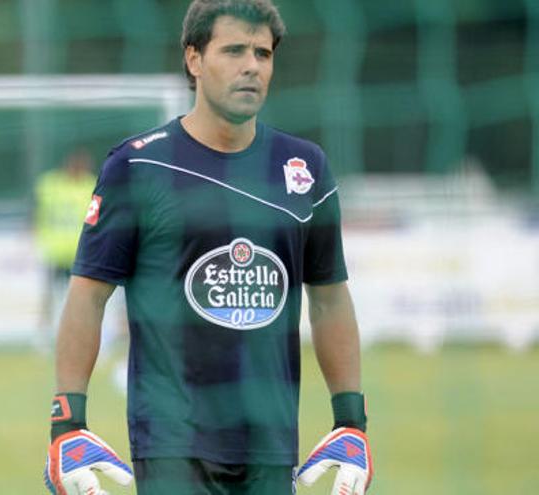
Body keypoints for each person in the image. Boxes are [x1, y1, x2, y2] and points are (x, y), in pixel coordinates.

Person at [43, 1, 373, 494]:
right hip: (173, 446)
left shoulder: (305, 169)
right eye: (234, 50)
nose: (251, 66)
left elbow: (328, 297)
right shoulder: (136, 167)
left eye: (263, 53)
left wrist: (351, 420)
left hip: (271, 443)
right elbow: (88, 295)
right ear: (194, 59)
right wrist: (66, 423)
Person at [33, 148, 98, 344]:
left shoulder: (92, 185)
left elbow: (96, 218)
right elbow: (37, 211)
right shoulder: (49, 184)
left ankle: (85, 336)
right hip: (55, 250)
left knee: (84, 298)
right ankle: (44, 335)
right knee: (49, 296)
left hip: (82, 252)